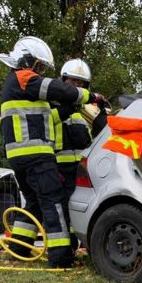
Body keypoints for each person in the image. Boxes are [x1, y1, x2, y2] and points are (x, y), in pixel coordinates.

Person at [0, 36, 104, 267]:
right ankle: (61, 257)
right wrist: (90, 97)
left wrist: (65, 110)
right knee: (53, 202)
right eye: (40, 67)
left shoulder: (15, 86)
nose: (41, 72)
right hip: (35, 155)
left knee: (34, 201)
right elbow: (54, 88)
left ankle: (19, 248)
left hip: (20, 156)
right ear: (27, 61)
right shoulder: (23, 78)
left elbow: (47, 118)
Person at [52, 58, 104, 250]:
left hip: (82, 168)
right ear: (64, 81)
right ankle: (66, 248)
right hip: (60, 168)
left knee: (81, 207)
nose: (77, 86)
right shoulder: (52, 104)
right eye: (73, 81)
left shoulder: (88, 109)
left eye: (81, 83)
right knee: (63, 208)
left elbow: (100, 134)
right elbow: (44, 129)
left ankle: (80, 246)